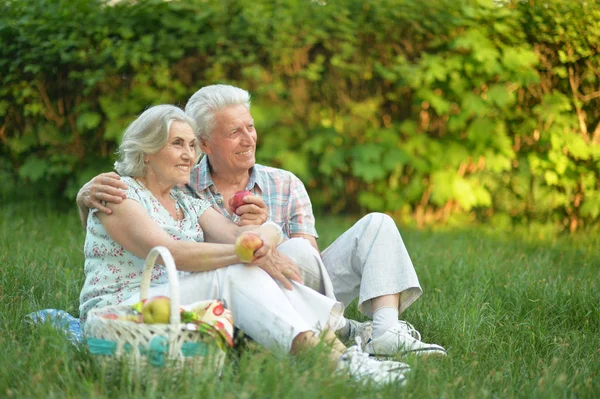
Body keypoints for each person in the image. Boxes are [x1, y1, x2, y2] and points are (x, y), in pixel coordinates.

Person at [77, 85, 446, 357]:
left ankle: (383, 331)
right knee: (248, 268)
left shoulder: (283, 183)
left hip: (292, 283)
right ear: (207, 143)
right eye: (234, 132)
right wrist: (84, 199)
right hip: (217, 292)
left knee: (334, 236)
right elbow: (131, 230)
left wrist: (265, 232)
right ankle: (345, 336)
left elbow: (306, 264)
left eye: (250, 128)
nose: (248, 139)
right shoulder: (182, 186)